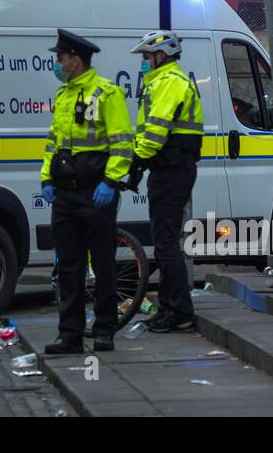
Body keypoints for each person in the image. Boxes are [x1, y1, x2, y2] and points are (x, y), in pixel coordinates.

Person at [39, 29, 133, 354]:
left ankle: (104, 330)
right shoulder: (65, 96)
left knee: (104, 264)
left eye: (60, 58)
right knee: (68, 267)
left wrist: (110, 183)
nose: (56, 63)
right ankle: (70, 335)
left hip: (96, 193)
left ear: (75, 60)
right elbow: (54, 142)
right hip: (64, 195)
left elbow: (123, 144)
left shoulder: (106, 94)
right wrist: (45, 180)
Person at [126, 30, 204, 333]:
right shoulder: (160, 83)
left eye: (147, 57)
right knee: (164, 243)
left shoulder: (170, 83)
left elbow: (156, 133)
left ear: (161, 55)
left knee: (166, 244)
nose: (144, 63)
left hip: (173, 170)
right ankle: (170, 308)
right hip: (168, 169)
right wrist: (139, 165)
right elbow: (148, 132)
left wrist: (136, 160)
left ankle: (179, 311)